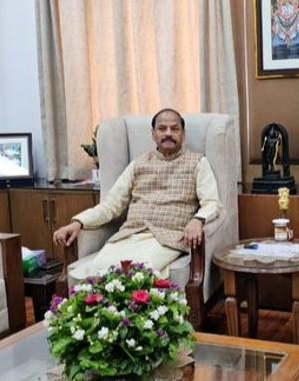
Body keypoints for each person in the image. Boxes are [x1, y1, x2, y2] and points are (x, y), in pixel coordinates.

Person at [53, 109, 222, 283]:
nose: (168, 133)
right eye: (162, 129)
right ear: (153, 134)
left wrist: (198, 220)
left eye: (174, 128)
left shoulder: (198, 162)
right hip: (130, 235)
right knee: (98, 271)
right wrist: (78, 222)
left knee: (137, 273)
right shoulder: (138, 164)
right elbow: (111, 205)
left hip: (167, 239)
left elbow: (211, 202)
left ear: (183, 134)